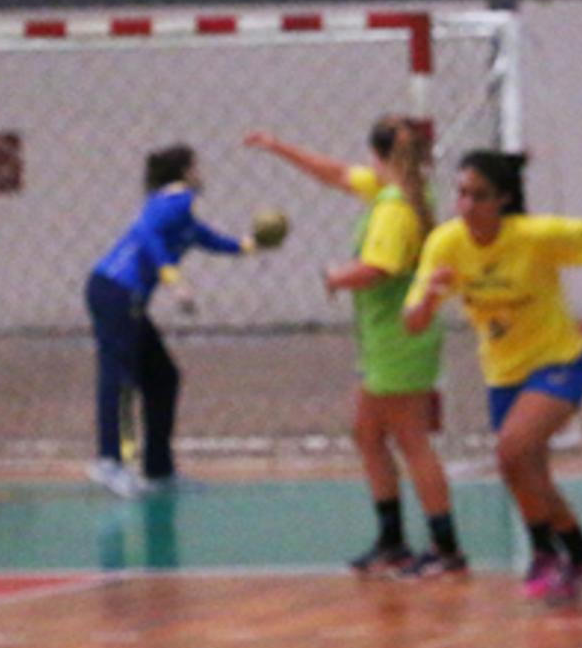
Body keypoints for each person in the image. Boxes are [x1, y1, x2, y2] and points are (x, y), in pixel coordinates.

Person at [244, 120, 468, 577]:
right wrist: (278, 144)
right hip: (387, 335)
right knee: (367, 434)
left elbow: (378, 267)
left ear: (377, 155)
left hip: (401, 336)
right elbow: (333, 173)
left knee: (410, 439)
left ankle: (446, 548)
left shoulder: (393, 208)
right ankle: (392, 541)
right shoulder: (396, 189)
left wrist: (334, 276)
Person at [403, 150, 582, 603]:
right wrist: (428, 300)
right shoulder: (446, 243)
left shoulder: (534, 236)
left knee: (514, 448)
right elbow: (413, 321)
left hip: (558, 361)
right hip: (503, 373)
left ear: (503, 199)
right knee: (519, 467)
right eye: (461, 193)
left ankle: (544, 552)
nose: (466, 205)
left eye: (478, 196)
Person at [85, 144, 262, 498]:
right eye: (196, 166)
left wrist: (250, 245)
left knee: (163, 377)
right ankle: (110, 462)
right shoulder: (177, 199)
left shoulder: (183, 214)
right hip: (115, 290)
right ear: (184, 170)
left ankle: (159, 470)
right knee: (120, 378)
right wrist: (172, 278)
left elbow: (207, 238)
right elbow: (147, 232)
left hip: (122, 296)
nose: (201, 172)